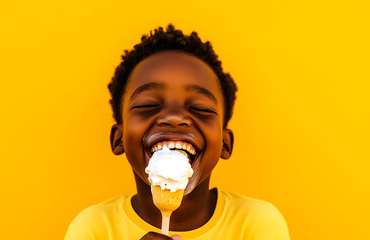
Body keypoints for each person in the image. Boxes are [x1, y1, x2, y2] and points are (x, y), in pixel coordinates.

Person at [65, 24, 290, 240]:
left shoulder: (256, 224)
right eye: (147, 105)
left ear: (225, 143)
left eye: (200, 108)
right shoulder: (94, 228)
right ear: (118, 139)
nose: (174, 117)